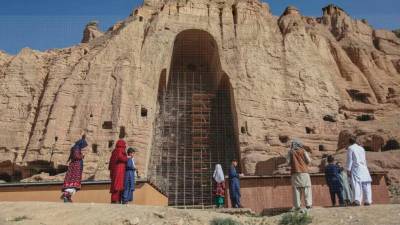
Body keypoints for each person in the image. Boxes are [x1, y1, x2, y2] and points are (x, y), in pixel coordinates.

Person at [346, 137, 372, 206]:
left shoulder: (350, 148)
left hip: (356, 168)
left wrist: (348, 169)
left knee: (356, 184)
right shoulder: (361, 148)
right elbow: (364, 159)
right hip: (364, 168)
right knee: (366, 184)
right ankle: (368, 200)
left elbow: (350, 159)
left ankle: (357, 200)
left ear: (349, 142)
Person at [287, 139, 312, 210]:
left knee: (296, 189)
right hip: (304, 172)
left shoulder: (290, 152)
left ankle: (297, 206)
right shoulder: (303, 151)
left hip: (295, 172)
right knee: (307, 188)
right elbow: (309, 161)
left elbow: (288, 162)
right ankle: (308, 204)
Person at [61, 135, 88, 203]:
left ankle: (68, 197)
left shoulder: (75, 148)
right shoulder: (76, 148)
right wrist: (82, 156)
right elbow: (76, 156)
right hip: (75, 167)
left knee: (73, 183)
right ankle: (66, 195)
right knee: (73, 182)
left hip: (75, 166)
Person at [109, 138, 128, 203]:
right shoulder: (120, 150)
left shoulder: (114, 151)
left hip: (114, 169)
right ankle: (116, 200)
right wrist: (126, 158)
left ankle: (114, 199)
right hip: (119, 170)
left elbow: (111, 161)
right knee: (118, 185)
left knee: (115, 184)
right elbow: (120, 157)